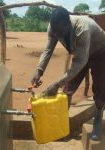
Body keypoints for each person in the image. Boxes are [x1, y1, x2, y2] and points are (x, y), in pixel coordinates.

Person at [31, 7, 105, 140]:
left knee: (100, 89)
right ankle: (61, 125)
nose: (58, 35)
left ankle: (98, 118)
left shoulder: (82, 28)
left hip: (100, 52)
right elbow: (48, 50)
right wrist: (39, 70)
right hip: (80, 52)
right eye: (55, 32)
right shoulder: (54, 28)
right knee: (68, 89)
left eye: (60, 32)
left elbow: (81, 62)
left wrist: (57, 84)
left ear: (68, 24)